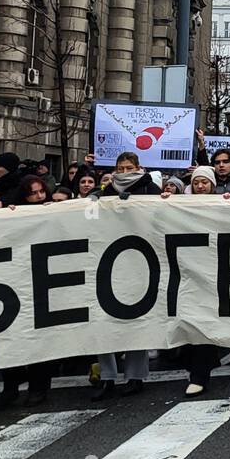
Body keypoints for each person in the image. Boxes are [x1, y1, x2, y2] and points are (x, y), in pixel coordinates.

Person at [92, 152, 159, 401]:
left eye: (128, 167)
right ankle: (107, 377)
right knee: (104, 323)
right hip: (109, 261)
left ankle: (135, 376)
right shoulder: (106, 191)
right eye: (120, 167)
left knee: (135, 321)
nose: (124, 171)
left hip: (138, 260)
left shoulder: (149, 188)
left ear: (138, 167)